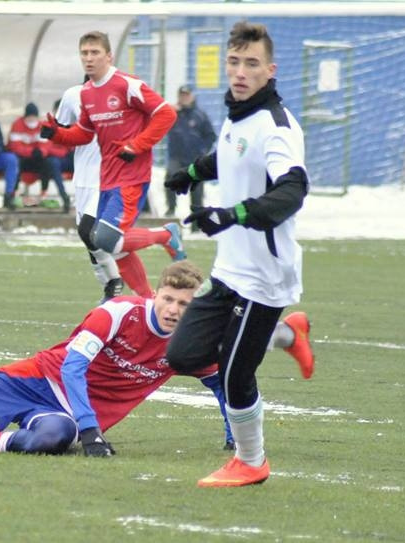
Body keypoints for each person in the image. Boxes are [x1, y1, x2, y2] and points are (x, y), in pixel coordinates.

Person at [0, 261, 314, 456]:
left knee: (52, 441)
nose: (173, 310)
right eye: (168, 299)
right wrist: (92, 429)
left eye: (185, 306)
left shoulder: (186, 346)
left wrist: (233, 434)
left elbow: (223, 382)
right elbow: (73, 367)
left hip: (61, 415)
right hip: (28, 381)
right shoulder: (116, 313)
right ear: (156, 295)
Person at [164, 21, 310, 488]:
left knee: (234, 374)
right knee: (183, 354)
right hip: (229, 268)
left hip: (265, 275)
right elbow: (229, 156)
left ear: (271, 69)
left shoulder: (278, 127)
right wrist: (190, 173)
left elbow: (292, 190)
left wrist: (233, 214)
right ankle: (285, 335)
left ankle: (251, 461)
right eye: (234, 61)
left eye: (251, 63)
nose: (241, 71)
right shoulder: (236, 115)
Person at [41, 31, 185, 299]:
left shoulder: (128, 85)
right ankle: (146, 300)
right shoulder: (86, 93)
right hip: (107, 178)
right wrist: (57, 134)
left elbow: (166, 114)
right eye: (84, 53)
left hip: (131, 176)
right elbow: (85, 133)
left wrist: (137, 145)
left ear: (109, 56)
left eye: (95, 52)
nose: (89, 58)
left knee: (105, 239)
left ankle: (165, 235)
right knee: (113, 246)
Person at [55, 77, 123, 302]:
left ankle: (114, 281)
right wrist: (54, 132)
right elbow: (62, 128)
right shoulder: (72, 95)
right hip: (82, 179)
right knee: (89, 240)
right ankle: (109, 293)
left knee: (89, 231)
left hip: (107, 178)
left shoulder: (120, 96)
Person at [165, 85, 216, 219]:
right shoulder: (172, 113)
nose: (184, 98)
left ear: (192, 97)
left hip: (194, 158)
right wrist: (168, 111)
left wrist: (203, 151)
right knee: (171, 180)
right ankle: (170, 209)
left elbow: (210, 136)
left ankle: (196, 218)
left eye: (187, 95)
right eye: (182, 95)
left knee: (196, 188)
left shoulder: (200, 115)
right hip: (176, 156)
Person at [8, 102, 70, 212]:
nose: (32, 119)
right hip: (23, 159)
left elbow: (46, 145)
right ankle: (13, 195)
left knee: (48, 162)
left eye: (34, 117)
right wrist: (31, 151)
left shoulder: (42, 125)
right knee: (15, 162)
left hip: (38, 159)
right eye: (29, 117)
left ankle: (45, 193)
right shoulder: (17, 125)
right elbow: (15, 146)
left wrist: (41, 151)